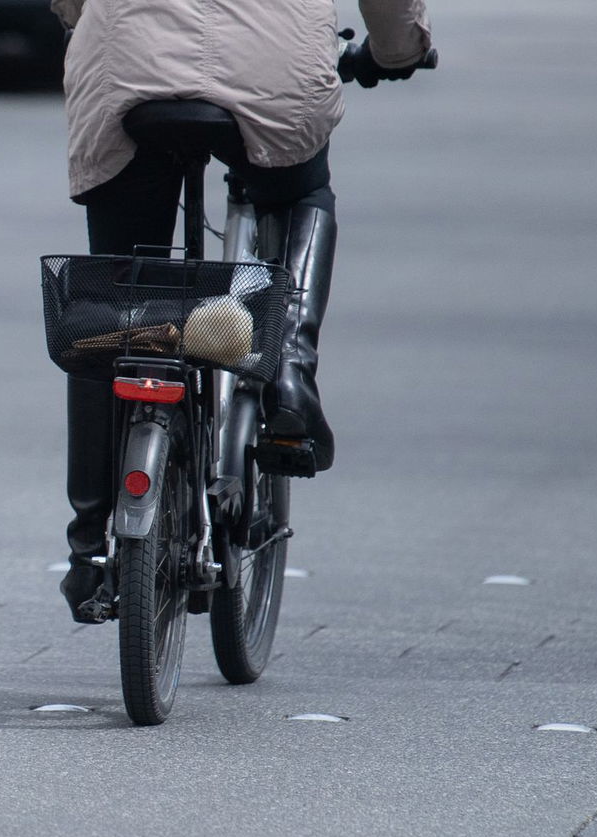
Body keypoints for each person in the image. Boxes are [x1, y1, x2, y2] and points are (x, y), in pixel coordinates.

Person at [51, 0, 433, 622]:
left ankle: (90, 546)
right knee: (304, 190)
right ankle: (289, 369)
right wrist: (397, 50)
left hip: (129, 63)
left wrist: (85, 21)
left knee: (114, 299)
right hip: (272, 67)